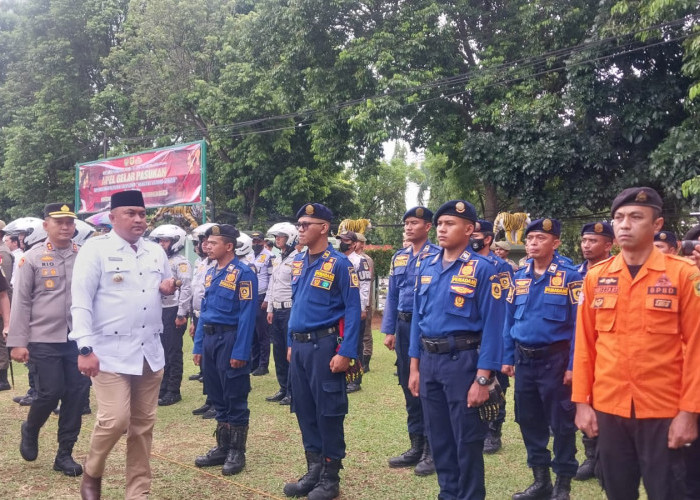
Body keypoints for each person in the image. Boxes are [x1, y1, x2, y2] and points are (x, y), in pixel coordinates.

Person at [573, 187, 700, 500]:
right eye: (619, 217)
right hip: (609, 407)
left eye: (635, 217)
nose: (624, 224)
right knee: (617, 491)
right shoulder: (597, 277)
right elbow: (585, 345)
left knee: (670, 492)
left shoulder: (684, 275)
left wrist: (689, 413)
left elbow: (698, 347)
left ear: (656, 225)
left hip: (664, 410)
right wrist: (581, 403)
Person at [70, 190, 176, 500]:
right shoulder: (95, 250)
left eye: (142, 214)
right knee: (115, 420)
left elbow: (166, 294)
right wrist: (85, 348)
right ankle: (92, 472)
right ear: (113, 217)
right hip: (108, 353)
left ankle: (138, 491)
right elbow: (81, 302)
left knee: (143, 427)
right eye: (130, 213)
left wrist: (169, 290)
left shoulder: (156, 252)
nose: (139, 219)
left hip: (148, 352)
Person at [408, 200, 505, 500]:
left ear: (470, 229)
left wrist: (483, 379)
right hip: (429, 362)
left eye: (449, 223)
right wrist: (414, 367)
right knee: (439, 440)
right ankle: (447, 495)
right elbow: (417, 321)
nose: (441, 229)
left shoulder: (484, 269)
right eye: (439, 224)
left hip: (463, 362)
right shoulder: (427, 266)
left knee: (467, 442)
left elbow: (494, 328)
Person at [282, 203, 361, 500]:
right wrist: (291, 342)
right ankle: (313, 470)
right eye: (299, 224)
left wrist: (347, 352)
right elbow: (297, 303)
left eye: (305, 224)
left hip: (324, 346)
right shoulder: (299, 261)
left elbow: (354, 310)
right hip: (300, 347)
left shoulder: (340, 264)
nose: (299, 229)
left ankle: (330, 478)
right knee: (304, 409)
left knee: (328, 411)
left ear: (324, 228)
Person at [502, 218, 582, 500]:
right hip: (524, 361)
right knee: (528, 420)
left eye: (540, 238)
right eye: (530, 238)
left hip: (556, 361)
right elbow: (509, 319)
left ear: (555, 243)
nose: (533, 243)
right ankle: (541, 480)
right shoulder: (520, 275)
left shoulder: (570, 277)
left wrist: (574, 366)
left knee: (561, 422)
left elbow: (578, 328)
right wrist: (507, 355)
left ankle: (563, 483)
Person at [7, 203, 89, 475]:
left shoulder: (84, 256)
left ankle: (64, 454)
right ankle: (30, 428)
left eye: (69, 222)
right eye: (59, 222)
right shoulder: (31, 258)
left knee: (76, 395)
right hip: (43, 337)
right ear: (46, 225)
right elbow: (21, 301)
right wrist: (18, 342)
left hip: (78, 337)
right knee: (50, 392)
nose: (66, 227)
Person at [192, 224, 258, 476]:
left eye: (213, 243)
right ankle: (222, 446)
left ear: (229, 246)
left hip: (231, 339)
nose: (207, 246)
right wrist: (199, 345)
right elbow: (205, 311)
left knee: (235, 393)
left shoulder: (244, 273)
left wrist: (241, 352)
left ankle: (236, 451)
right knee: (216, 392)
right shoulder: (211, 272)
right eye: (207, 242)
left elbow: (247, 316)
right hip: (210, 339)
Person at [381, 206, 439, 475]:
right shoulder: (399, 257)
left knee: (426, 388)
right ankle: (415, 445)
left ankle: (431, 450)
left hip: (426, 329)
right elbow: (392, 295)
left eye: (414, 223)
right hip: (403, 327)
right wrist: (389, 329)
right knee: (408, 385)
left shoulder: (437, 256)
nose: (408, 227)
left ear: (428, 227)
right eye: (406, 223)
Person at [573, 221, 613, 481]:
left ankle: (605, 460)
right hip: (579, 348)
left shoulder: (611, 274)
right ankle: (591, 458)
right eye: (584, 241)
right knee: (586, 404)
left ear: (609, 245)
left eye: (593, 241)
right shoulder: (573, 273)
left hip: (607, 351)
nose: (586, 245)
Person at [471, 219, 514, 454]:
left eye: (476, 234)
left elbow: (506, 305)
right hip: (470, 336)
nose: (471, 238)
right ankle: (479, 428)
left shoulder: (501, 266)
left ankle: (494, 431)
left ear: (487, 239)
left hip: (495, 333)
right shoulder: (464, 264)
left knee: (497, 385)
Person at [149, 224, 193, 406]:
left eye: (165, 241)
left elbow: (186, 288)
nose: (161, 244)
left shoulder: (181, 263)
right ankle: (163, 386)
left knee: (173, 351)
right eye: (159, 240)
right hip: (160, 309)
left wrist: (181, 313)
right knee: (161, 351)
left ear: (176, 242)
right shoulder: (158, 261)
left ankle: (174, 390)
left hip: (174, 309)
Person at [263, 222, 300, 406]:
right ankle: (283, 387)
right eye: (276, 237)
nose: (277, 239)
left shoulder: (297, 259)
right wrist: (269, 308)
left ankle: (293, 391)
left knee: (289, 351)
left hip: (290, 310)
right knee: (277, 351)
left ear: (291, 238)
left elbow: (298, 288)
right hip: (276, 310)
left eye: (281, 236)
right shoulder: (277, 258)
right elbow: (271, 284)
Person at [336, 230, 371, 393]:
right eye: (340, 239)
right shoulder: (337, 259)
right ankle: (343, 376)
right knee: (339, 341)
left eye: (345, 240)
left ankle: (355, 380)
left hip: (355, 308)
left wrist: (363, 308)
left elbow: (364, 286)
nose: (342, 242)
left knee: (355, 343)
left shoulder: (360, 261)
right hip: (339, 310)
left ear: (354, 243)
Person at [189, 223, 217, 419]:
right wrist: (192, 318)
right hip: (199, 315)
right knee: (206, 364)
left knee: (215, 364)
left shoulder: (218, 265)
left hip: (214, 320)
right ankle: (210, 399)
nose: (204, 246)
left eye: (209, 242)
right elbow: (196, 292)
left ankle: (217, 402)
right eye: (202, 242)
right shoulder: (201, 264)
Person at [250, 230, 273, 376]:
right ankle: (254, 362)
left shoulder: (270, 256)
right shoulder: (249, 256)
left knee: (262, 333)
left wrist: (267, 299)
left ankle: (263, 364)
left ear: (263, 242)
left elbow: (272, 280)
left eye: (258, 241)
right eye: (254, 241)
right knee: (252, 332)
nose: (255, 244)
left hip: (262, 296)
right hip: (251, 297)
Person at [355, 233, 374, 372]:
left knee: (366, 333)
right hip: (354, 301)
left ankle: (365, 361)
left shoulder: (366, 260)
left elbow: (367, 283)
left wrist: (366, 304)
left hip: (365, 301)